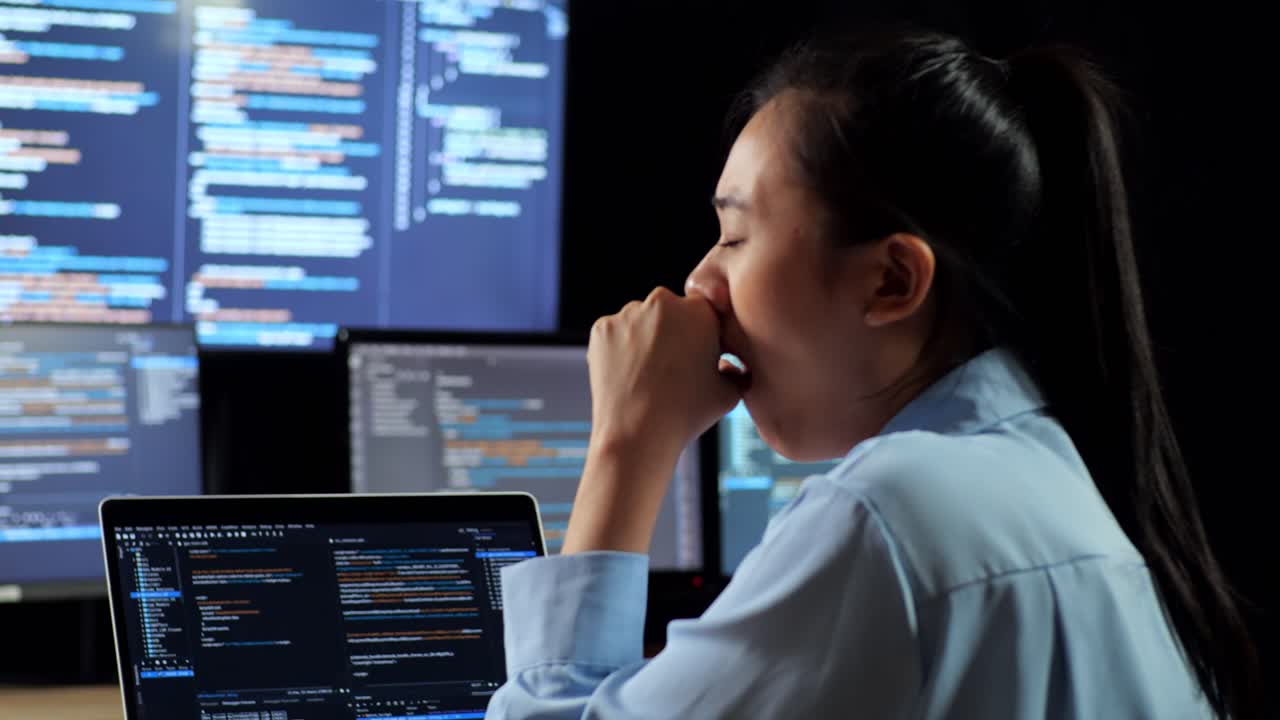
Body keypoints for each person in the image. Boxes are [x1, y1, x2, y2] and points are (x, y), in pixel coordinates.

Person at [485, 26, 1261, 719]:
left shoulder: (884, 519)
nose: (697, 283)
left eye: (734, 235)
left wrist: (626, 441)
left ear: (893, 282)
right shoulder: (1054, 475)